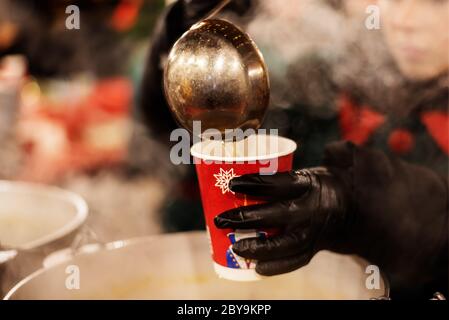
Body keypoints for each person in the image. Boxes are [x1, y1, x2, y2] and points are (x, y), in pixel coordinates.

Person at [140, 0, 448, 299]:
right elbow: (191, 138)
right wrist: (172, 47)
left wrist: (363, 207)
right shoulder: (336, 76)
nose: (404, 20)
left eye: (434, 2)